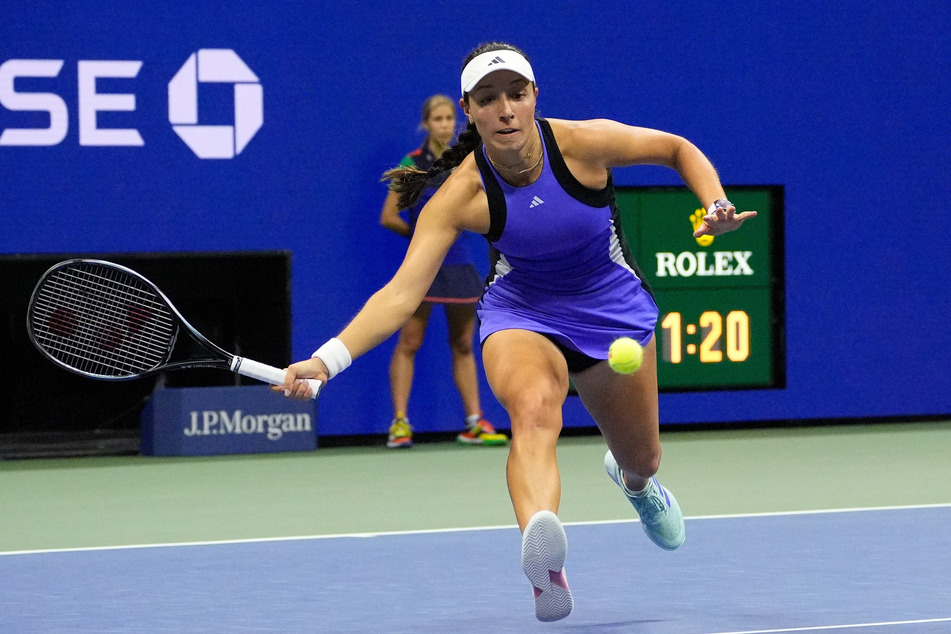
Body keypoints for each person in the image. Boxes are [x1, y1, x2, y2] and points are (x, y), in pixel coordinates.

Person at [279, 42, 756, 622]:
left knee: (645, 459)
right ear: (469, 110)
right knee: (532, 411)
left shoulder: (582, 144)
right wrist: (325, 362)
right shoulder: (462, 193)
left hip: (613, 313)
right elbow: (401, 295)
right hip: (521, 313)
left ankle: (634, 483)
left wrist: (715, 203)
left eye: (515, 94)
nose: (504, 108)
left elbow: (676, 149)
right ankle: (544, 559)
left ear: (534, 98)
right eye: (488, 98)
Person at [377, 94, 507, 449]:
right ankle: (400, 424)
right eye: (437, 118)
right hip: (423, 265)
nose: (445, 124)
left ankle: (473, 422)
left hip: (459, 264)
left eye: (450, 118)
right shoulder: (412, 163)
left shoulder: (467, 162)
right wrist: (423, 240)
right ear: (426, 124)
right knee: (410, 342)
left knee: (464, 344)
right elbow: (389, 216)